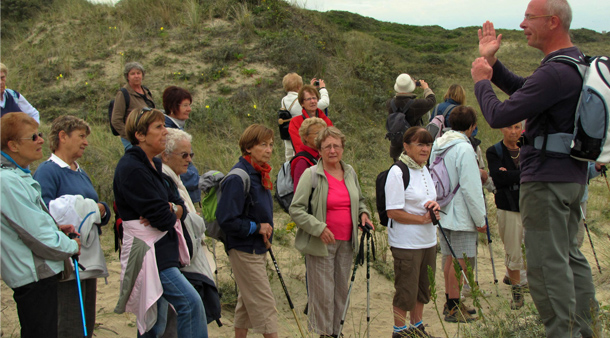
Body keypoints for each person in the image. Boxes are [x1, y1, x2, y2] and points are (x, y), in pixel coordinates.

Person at [471, 0, 599, 336]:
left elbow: (499, 116)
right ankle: (586, 329)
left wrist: (482, 81)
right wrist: (493, 63)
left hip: (546, 182)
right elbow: (526, 90)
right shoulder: (574, 64)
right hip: (571, 177)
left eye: (530, 17)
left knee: (544, 264)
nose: (522, 23)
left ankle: (562, 332)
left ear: (553, 22)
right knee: (570, 256)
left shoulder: (555, 71)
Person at [113, 108, 206, 338]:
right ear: (140, 135)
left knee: (156, 321)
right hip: (149, 254)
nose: (165, 131)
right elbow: (164, 219)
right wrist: (170, 210)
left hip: (162, 252)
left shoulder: (153, 166)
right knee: (190, 304)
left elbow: (177, 206)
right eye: (158, 127)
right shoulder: (132, 169)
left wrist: (171, 208)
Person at [0, 112, 81, 338]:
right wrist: (71, 246)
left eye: (40, 135)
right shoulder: (6, 181)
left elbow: (28, 224)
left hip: (36, 275)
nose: (41, 141)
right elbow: (36, 236)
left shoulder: (16, 175)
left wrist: (56, 228)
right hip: (33, 278)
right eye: (33, 137)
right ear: (13, 145)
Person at [290, 126, 374, 337]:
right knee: (323, 293)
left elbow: (360, 201)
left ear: (343, 148)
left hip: (347, 242)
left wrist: (363, 214)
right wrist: (318, 228)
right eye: (327, 146)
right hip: (321, 244)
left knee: (340, 291)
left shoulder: (350, 172)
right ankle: (324, 333)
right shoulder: (312, 175)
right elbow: (296, 209)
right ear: (319, 150)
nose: (332, 150)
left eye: (336, 146)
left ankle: (336, 331)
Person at [32, 115, 111, 337]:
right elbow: (43, 211)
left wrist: (101, 209)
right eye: (81, 136)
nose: (86, 142)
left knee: (86, 317)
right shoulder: (48, 171)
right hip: (65, 260)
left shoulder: (79, 170)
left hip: (88, 255)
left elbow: (96, 205)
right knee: (69, 319)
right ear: (63, 137)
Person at [216, 124, 278, 338]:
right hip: (244, 249)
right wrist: (256, 228)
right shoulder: (238, 177)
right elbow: (226, 219)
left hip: (256, 247)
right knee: (265, 304)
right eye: (263, 145)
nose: (269, 149)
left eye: (271, 145)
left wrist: (265, 232)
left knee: (246, 302)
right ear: (249, 147)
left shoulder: (259, 173)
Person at [159, 128, 221, 331]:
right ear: (165, 155)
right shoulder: (164, 180)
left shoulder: (175, 178)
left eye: (191, 154)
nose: (189, 160)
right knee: (179, 315)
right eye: (184, 155)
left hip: (185, 259)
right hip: (178, 262)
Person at [429, 106, 486, 323]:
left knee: (449, 258)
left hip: (443, 210)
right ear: (472, 127)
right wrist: (481, 220)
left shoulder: (438, 144)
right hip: (461, 215)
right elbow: (471, 188)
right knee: (461, 262)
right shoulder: (464, 148)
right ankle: (453, 308)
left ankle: (451, 302)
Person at [385, 127, 440, 338]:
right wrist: (422, 219)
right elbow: (393, 211)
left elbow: (421, 200)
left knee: (422, 289)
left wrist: (433, 209)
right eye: (420, 144)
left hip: (427, 240)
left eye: (428, 144)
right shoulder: (398, 172)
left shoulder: (424, 168)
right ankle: (399, 332)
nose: (425, 149)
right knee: (406, 290)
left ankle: (417, 328)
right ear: (406, 147)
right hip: (406, 243)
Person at [486, 121, 526, 310]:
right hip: (508, 205)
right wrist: (522, 174)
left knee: (530, 247)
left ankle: (516, 279)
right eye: (509, 127)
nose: (513, 131)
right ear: (502, 129)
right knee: (513, 248)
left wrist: (510, 174)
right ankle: (517, 292)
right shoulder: (495, 151)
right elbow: (498, 178)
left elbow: (537, 172)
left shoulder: (528, 148)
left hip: (529, 205)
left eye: (517, 127)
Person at [162, 85, 201, 205]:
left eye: (189, 105)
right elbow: (174, 166)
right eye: (185, 105)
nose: (189, 109)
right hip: (178, 197)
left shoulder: (177, 127)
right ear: (172, 107)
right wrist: (199, 181)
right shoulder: (167, 132)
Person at [280, 73, 330, 161]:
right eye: (309, 98)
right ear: (299, 86)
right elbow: (325, 103)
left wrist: (309, 90)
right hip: (301, 129)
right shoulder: (299, 101)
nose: (312, 101)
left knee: (289, 157)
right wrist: (322, 89)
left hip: (288, 133)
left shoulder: (284, 100)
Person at [387, 73, 436, 161]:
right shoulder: (415, 105)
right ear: (411, 86)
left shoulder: (390, 104)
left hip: (396, 148)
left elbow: (398, 98)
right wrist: (426, 88)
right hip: (413, 148)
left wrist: (406, 87)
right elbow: (431, 100)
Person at [111, 62, 155, 150]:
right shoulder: (123, 94)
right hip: (132, 141)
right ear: (127, 77)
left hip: (148, 137)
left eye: (138, 73)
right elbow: (116, 120)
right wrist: (131, 137)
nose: (136, 76)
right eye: (132, 74)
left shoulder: (146, 91)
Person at [288, 85, 333, 154]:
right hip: (306, 160)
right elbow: (299, 147)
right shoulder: (295, 122)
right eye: (308, 99)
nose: (312, 101)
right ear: (302, 103)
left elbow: (332, 142)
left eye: (314, 98)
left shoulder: (326, 120)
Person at [291, 117, 327, 191]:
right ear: (306, 137)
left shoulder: (318, 156)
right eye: (317, 133)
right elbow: (299, 193)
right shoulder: (302, 161)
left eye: (324, 133)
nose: (322, 137)